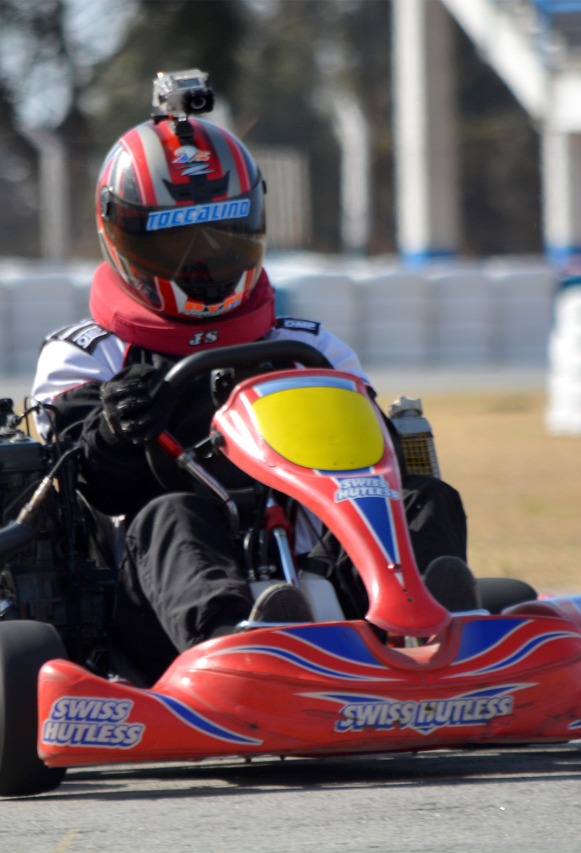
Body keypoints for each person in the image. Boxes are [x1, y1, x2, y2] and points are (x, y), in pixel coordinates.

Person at [31, 109, 471, 686]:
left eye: (222, 236)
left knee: (425, 498)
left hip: (314, 559)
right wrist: (113, 432)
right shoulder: (86, 355)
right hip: (149, 608)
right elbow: (84, 490)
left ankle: (430, 634)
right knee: (173, 514)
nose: (204, 262)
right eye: (178, 242)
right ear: (123, 236)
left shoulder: (308, 347)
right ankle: (238, 652)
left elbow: (369, 472)